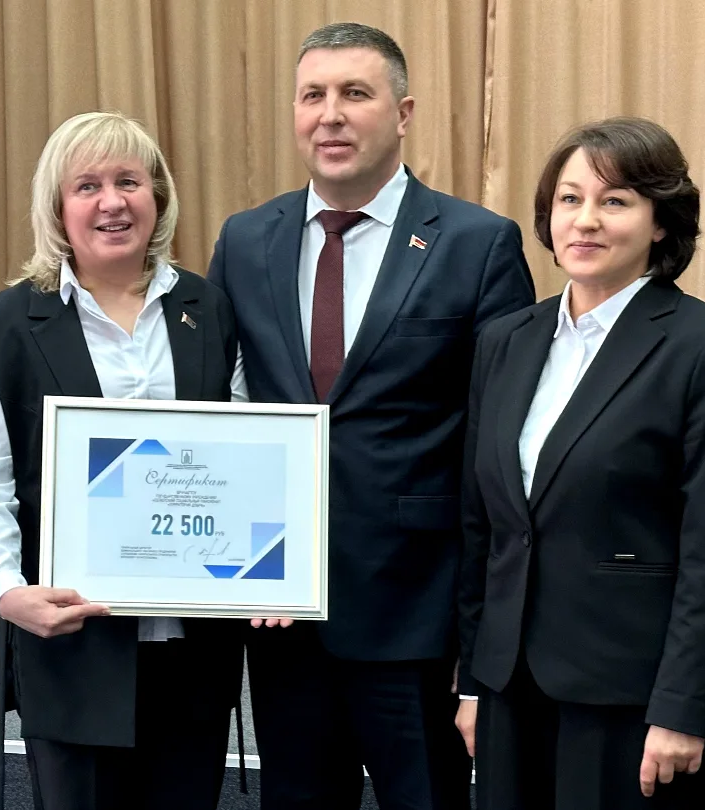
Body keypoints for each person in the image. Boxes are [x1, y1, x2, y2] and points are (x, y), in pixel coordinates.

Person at [208, 21, 536, 810]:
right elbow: (219, 417)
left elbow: (500, 446)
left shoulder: (477, 243)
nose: (331, 115)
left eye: (355, 93)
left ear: (403, 112)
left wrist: (481, 632)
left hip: (416, 610)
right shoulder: (246, 240)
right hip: (280, 611)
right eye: (312, 96)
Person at [456, 116, 705, 809]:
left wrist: (684, 705)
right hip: (511, 687)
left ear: (660, 223)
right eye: (570, 199)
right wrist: (473, 681)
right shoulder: (506, 340)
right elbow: (485, 526)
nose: (586, 220)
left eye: (616, 200)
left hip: (634, 697)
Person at [0, 111, 247, 810]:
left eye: (129, 182)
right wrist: (7, 593)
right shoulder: (4, 327)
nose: (112, 202)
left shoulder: (211, 311)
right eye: (87, 186)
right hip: (71, 649)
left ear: (158, 197)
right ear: (58, 207)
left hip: (195, 651)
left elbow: (243, 467)